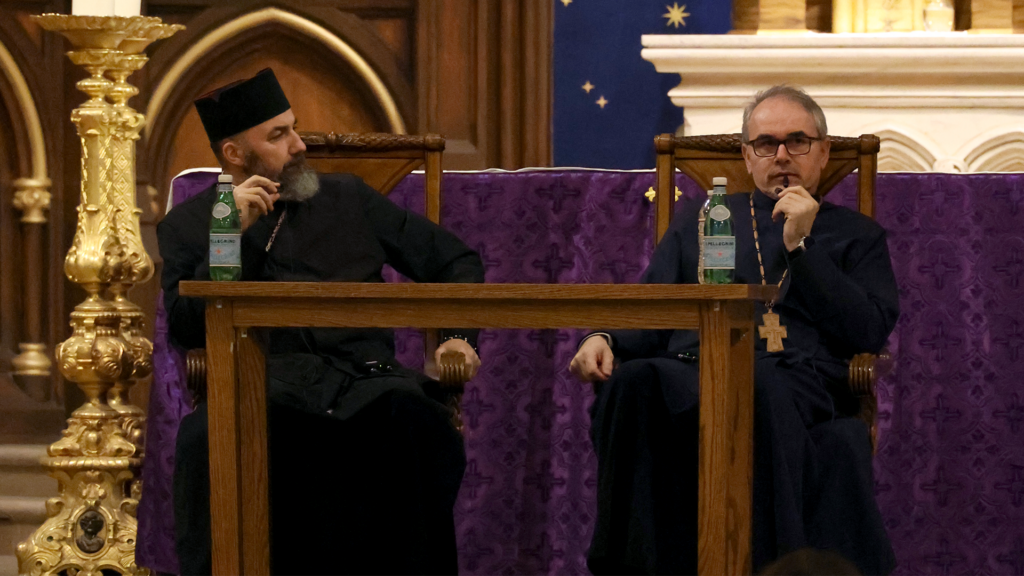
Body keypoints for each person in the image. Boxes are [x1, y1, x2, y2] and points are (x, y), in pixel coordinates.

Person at [159, 68, 485, 575]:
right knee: (207, 440)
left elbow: (455, 261)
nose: (298, 144)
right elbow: (185, 328)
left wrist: (458, 338)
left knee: (418, 423)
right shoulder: (191, 224)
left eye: (294, 127)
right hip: (261, 388)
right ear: (234, 154)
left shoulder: (349, 198)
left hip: (368, 383)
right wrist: (227, 236)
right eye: (277, 135)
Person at [570, 85, 899, 575]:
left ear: (824, 151)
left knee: (756, 380)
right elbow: (654, 306)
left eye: (797, 141)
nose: (782, 155)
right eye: (766, 144)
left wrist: (801, 247)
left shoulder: (856, 235)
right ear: (747, 156)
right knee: (632, 383)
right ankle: (629, 565)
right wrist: (605, 338)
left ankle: (768, 564)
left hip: (794, 379)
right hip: (692, 371)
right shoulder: (700, 223)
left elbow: (867, 329)